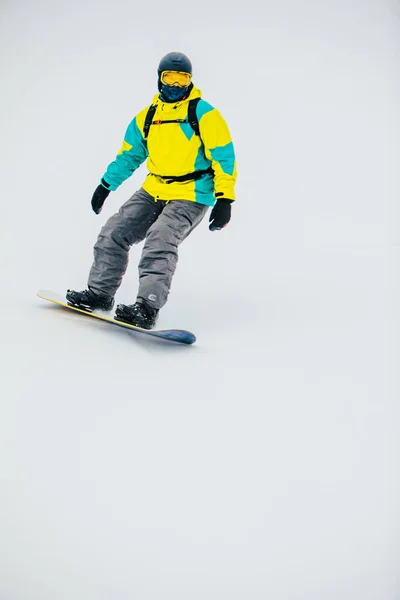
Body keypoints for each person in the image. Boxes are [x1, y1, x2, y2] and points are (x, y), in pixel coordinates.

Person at [67, 51, 237, 329]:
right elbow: (129, 156)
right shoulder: (147, 117)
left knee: (160, 238)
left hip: (192, 192)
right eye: (169, 77)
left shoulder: (204, 114)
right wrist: (105, 185)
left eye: (182, 79)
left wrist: (224, 199)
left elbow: (224, 158)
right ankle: (99, 294)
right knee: (114, 232)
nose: (174, 85)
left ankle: (147, 307)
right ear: (159, 79)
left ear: (189, 81)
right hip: (155, 187)